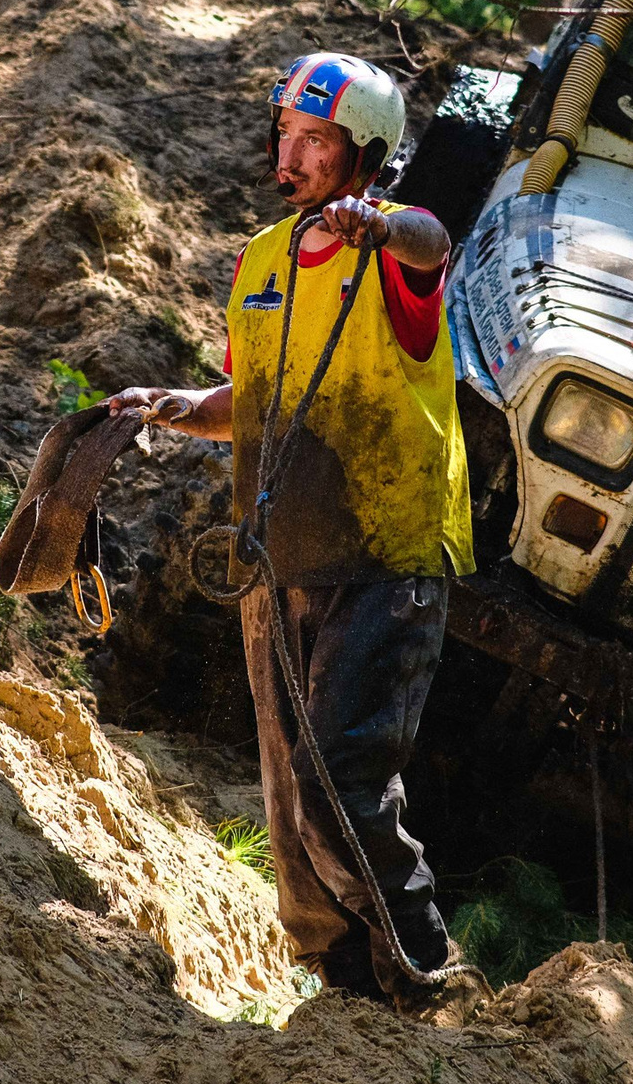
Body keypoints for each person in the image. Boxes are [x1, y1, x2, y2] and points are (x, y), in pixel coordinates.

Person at [109, 51, 484, 1018]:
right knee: (287, 807)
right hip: (283, 556)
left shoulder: (397, 257)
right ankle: (348, 994)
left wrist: (381, 224)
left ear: (364, 154)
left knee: (337, 784)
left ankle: (429, 983)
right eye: (286, 133)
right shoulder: (265, 260)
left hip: (386, 554)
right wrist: (176, 405)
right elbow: (255, 398)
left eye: (315, 139)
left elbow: (432, 237)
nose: (293, 154)